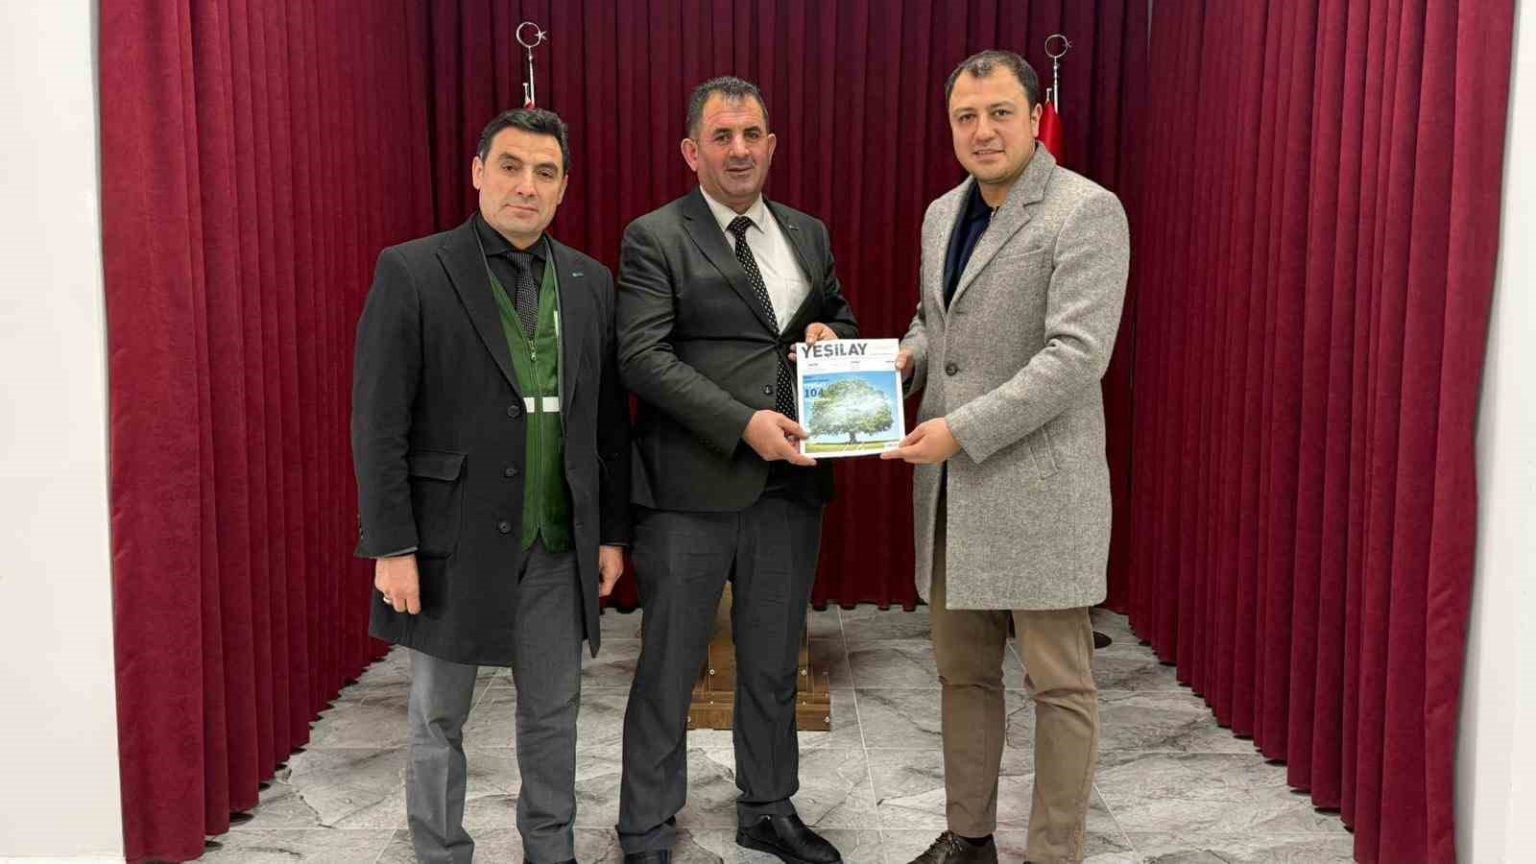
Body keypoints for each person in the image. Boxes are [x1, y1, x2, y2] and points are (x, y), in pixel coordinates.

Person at [352, 107, 631, 864]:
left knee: (553, 715)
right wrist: (392, 546)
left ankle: (551, 850)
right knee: (438, 719)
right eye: (510, 166)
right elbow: (378, 422)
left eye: (545, 172)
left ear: (564, 187)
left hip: (555, 544)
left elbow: (607, 423)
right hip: (450, 544)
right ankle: (442, 852)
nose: (525, 186)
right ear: (478, 171)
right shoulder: (414, 271)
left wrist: (610, 532)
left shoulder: (590, 282)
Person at [881, 50, 1130, 864]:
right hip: (953, 494)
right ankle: (969, 835)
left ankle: (1055, 852)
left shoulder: (1086, 211)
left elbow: (1076, 356)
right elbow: (935, 324)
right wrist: (907, 358)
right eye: (966, 117)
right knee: (962, 675)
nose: (982, 131)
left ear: (1033, 118)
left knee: (1060, 685)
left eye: (998, 113)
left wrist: (961, 428)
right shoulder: (940, 214)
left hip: (1040, 491)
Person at [613, 76, 859, 864]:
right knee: (669, 665)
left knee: (775, 662)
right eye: (722, 136)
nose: (740, 149)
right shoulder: (654, 236)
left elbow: (837, 314)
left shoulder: (808, 233)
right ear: (692, 152)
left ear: (772, 144)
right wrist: (742, 425)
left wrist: (829, 333)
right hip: (688, 489)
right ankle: (647, 826)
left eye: (752, 134)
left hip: (789, 487)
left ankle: (768, 808)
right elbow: (642, 357)